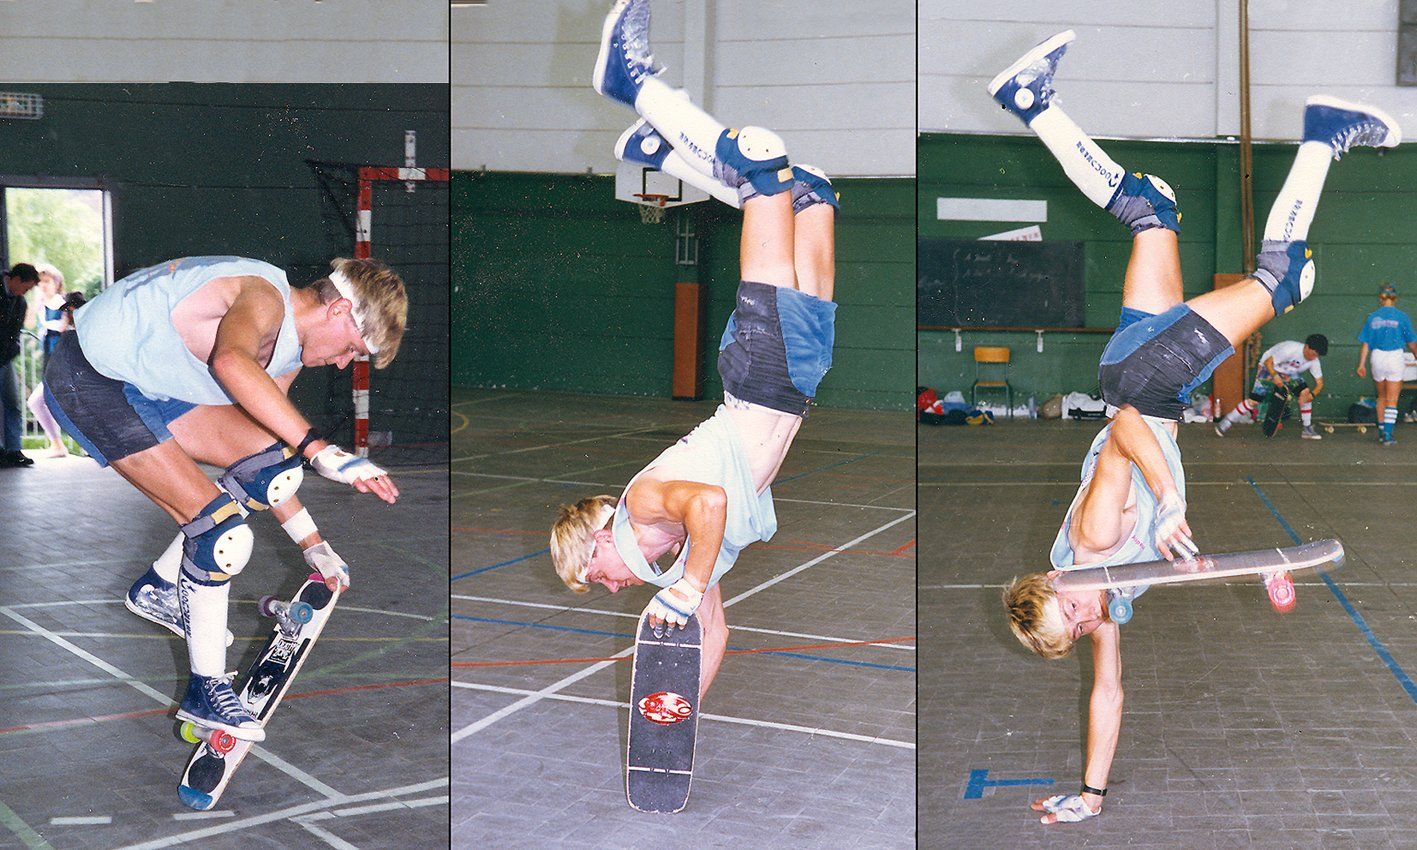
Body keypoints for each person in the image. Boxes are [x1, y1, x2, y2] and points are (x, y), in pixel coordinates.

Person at [989, 30, 1398, 824]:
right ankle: (1031, 104)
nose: (1083, 618)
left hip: (1146, 388)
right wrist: (1090, 795)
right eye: (1074, 628)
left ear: (1051, 585)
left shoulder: (1092, 545)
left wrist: (1169, 502)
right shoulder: (1104, 596)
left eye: (1067, 612)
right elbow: (1107, 690)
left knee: (1282, 278)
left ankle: (1322, 135)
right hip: (1134, 368)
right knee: (1151, 212)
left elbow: (1126, 429)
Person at [549, 0, 839, 699]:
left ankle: (631, 83)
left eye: (597, 577)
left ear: (599, 542)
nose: (613, 586)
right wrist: (679, 709)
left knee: (765, 168)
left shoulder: (647, 505)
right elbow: (714, 630)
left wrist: (686, 584)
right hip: (795, 379)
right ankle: (659, 152)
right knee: (815, 194)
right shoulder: (680, 549)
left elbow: (710, 501)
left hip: (762, 372)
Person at [44, 256, 405, 740]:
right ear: (339, 311)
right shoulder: (264, 296)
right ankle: (205, 690)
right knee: (222, 536)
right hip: (91, 377)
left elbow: (262, 461)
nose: (343, 363)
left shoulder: (289, 352)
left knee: (274, 460)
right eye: (351, 350)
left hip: (143, 385)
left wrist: (312, 543)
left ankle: (159, 587)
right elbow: (229, 361)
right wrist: (320, 449)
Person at [1214, 334, 1328, 439]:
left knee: (1305, 393)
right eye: (1313, 354)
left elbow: (1320, 383)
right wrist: (1275, 377)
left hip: (1289, 374)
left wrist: (1311, 395)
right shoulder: (1291, 349)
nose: (1314, 357)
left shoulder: (1314, 361)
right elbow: (1268, 362)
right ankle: (1227, 421)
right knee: (1254, 401)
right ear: (1307, 347)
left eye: (1317, 356)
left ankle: (1307, 429)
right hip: (1268, 368)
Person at [1356, 283, 1417, 445]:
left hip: (1377, 358)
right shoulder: (1402, 317)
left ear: (1380, 298)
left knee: (1381, 396)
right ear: (1395, 298)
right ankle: (1388, 435)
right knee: (1392, 399)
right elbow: (1412, 343)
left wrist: (1361, 365)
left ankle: (1382, 429)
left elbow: (1366, 344)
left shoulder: (1372, 317)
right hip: (1394, 357)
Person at [25, 263, 73, 458]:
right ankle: (57, 444)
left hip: (63, 360)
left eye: (47, 281)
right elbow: (28, 323)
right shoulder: (42, 307)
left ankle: (59, 444)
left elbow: (62, 326)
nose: (43, 285)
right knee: (38, 401)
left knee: (39, 401)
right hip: (50, 362)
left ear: (57, 283)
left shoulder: (61, 302)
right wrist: (36, 304)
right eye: (40, 282)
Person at [0, 263, 41, 468]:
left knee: (13, 403)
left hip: (3, 360)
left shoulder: (20, 302)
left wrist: (9, 352)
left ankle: (13, 450)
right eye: (26, 288)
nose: (25, 293)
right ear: (16, 280)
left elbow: (14, 333)